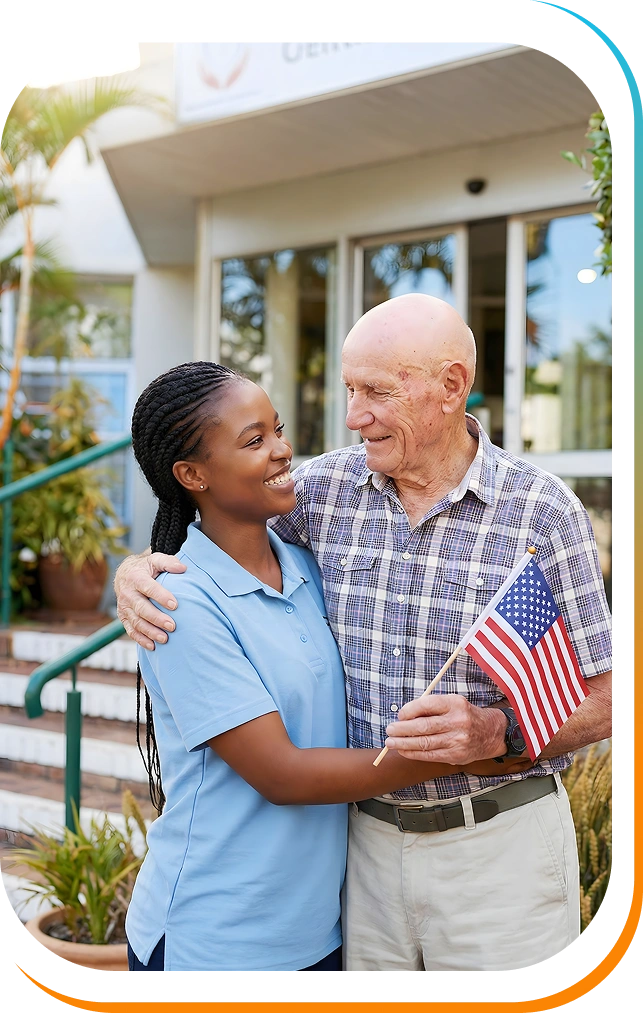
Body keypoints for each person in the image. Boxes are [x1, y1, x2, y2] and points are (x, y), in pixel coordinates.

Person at [116, 294, 613, 976]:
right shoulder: (318, 495)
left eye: (376, 391)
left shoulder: (543, 511)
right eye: (349, 389)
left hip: (498, 851)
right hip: (362, 856)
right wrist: (137, 568)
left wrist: (497, 736)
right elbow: (208, 534)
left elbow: (605, 695)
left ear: (450, 386)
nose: (352, 416)